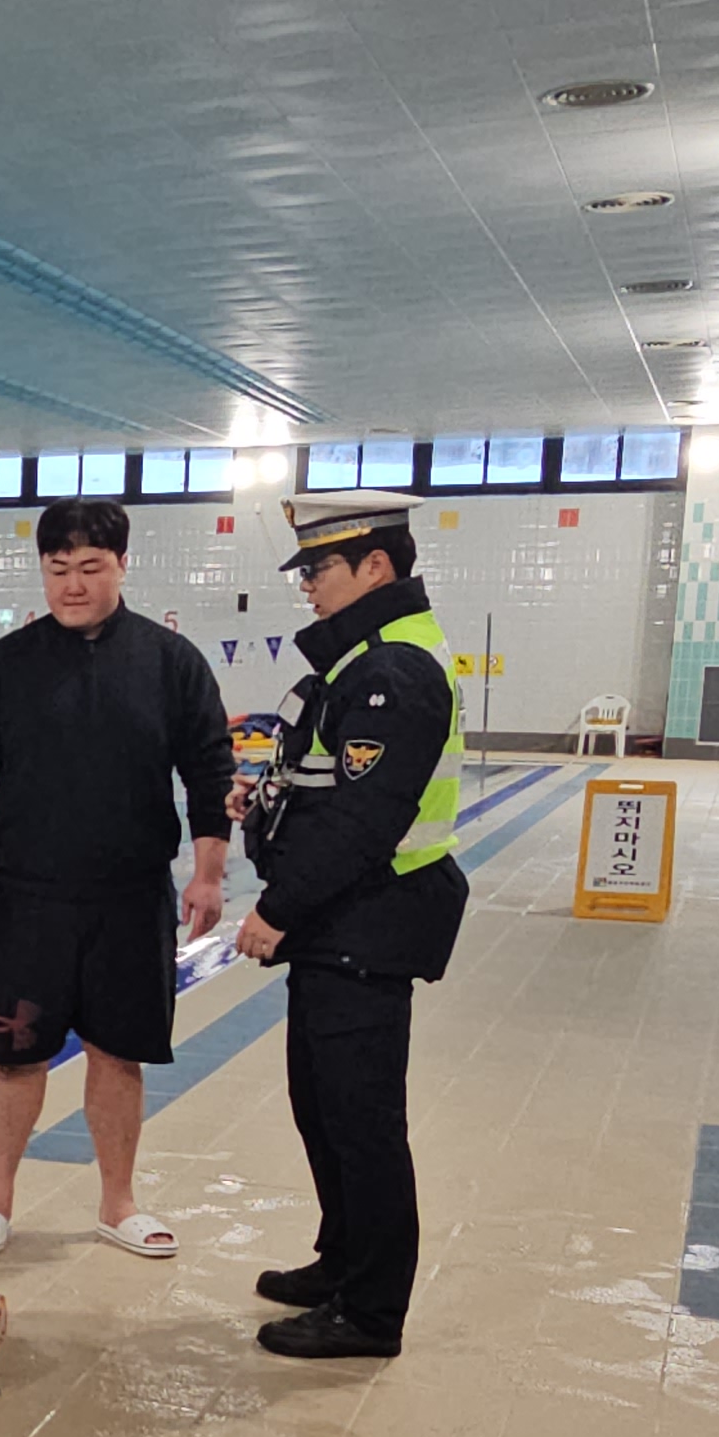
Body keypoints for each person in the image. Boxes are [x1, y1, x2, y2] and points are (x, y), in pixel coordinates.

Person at [0, 498, 233, 1262]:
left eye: (91, 567)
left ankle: (118, 1203)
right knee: (15, 1054)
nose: (73, 584)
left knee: (118, 1052)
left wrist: (207, 875)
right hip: (26, 896)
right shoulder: (6, 665)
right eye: (58, 568)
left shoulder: (171, 663)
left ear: (122, 566)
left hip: (132, 897)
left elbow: (209, 772)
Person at [238, 492, 469, 1360]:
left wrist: (275, 911)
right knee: (322, 1107)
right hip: (341, 922)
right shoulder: (365, 659)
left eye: (320, 568)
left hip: (370, 920)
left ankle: (371, 1311)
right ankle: (341, 1262)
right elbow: (330, 785)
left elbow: (367, 822)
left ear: (377, 566)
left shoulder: (394, 670)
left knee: (362, 1122)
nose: (308, 585)